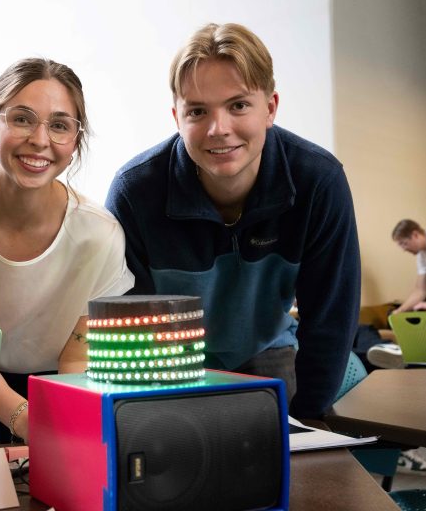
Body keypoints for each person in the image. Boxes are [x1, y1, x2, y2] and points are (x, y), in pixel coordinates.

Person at [105, 23, 360, 419]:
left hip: (267, 350)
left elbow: (331, 318)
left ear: (270, 108)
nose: (218, 129)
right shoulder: (135, 192)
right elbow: (134, 338)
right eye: (197, 111)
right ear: (177, 117)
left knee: (292, 465)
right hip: (174, 361)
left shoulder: (318, 181)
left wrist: (308, 425)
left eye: (238, 105)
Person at [0, 58, 134, 443]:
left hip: (54, 389)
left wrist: (63, 429)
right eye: (22, 119)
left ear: (75, 141)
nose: (40, 139)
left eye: (60, 126)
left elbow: (77, 361)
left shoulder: (99, 236)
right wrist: (23, 420)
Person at [391, 219, 426, 312]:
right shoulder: (421, 254)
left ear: (415, 235)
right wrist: (399, 311)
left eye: (404, 243)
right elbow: (420, 290)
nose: (404, 249)